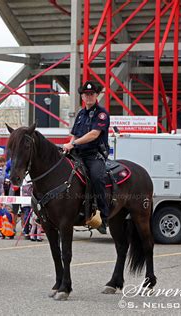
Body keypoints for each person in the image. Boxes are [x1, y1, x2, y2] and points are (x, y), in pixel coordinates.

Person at [63, 81, 110, 234]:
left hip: (93, 155)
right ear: (82, 96)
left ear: (96, 95)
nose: (89, 96)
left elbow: (94, 134)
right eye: (86, 94)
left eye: (91, 94)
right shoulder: (81, 114)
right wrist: (69, 145)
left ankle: (103, 216)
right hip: (78, 153)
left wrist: (73, 144)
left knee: (96, 177)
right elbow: (74, 134)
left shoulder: (101, 114)